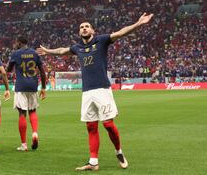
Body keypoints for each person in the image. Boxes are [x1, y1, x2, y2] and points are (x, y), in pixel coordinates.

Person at [37, 13, 154, 171]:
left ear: (93, 30)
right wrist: (48, 51)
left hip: (102, 89)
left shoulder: (102, 40)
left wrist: (138, 24)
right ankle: (93, 162)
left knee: (108, 124)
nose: (84, 28)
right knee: (91, 127)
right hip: (86, 92)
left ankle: (118, 151)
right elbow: (62, 51)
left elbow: (121, 33)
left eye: (86, 26)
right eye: (81, 27)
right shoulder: (77, 48)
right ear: (79, 33)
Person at [6, 36, 46, 152]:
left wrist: (10, 67)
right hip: (33, 85)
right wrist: (43, 88)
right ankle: (34, 133)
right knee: (32, 111)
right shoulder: (34, 53)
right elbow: (42, 72)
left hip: (21, 86)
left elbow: (9, 69)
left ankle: (24, 144)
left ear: (19, 42)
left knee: (22, 113)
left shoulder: (16, 53)